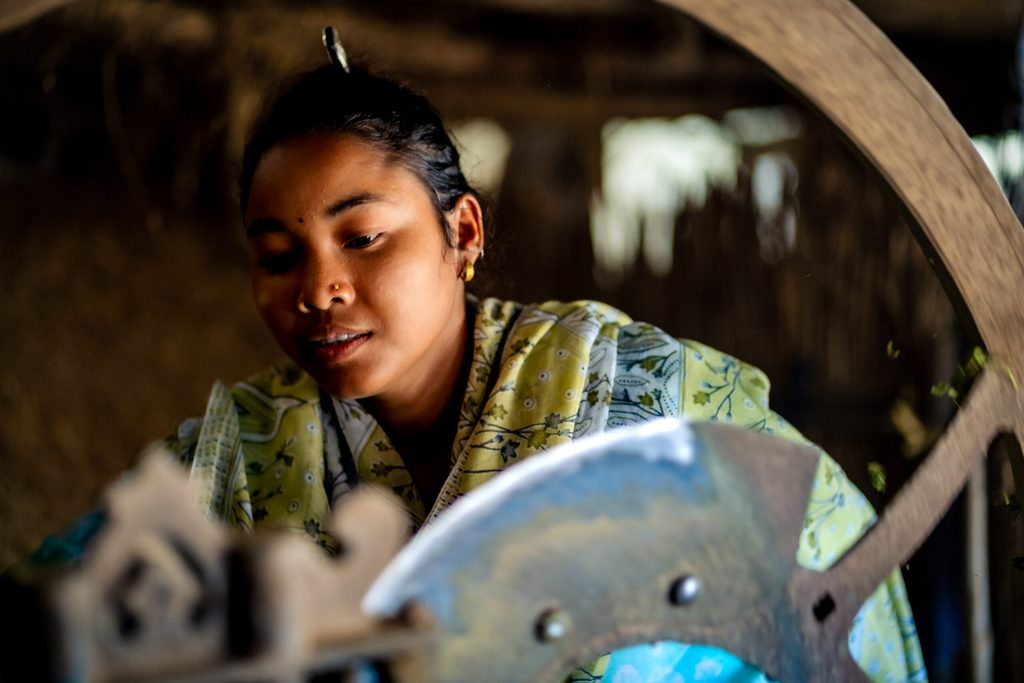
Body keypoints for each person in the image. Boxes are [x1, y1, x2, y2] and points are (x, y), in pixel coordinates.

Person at [20, 38, 926, 683]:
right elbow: (52, 610)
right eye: (277, 255)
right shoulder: (237, 456)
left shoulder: (635, 400)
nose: (319, 288)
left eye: (364, 237)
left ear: (463, 232)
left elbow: (836, 582)